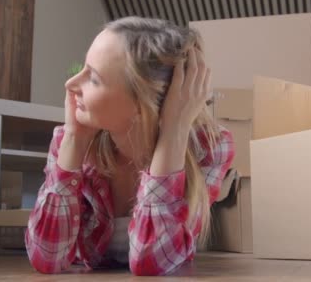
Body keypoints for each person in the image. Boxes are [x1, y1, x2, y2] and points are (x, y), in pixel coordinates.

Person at [25, 16, 234, 276]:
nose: (70, 84)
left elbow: (151, 262)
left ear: (141, 105)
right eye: (82, 68)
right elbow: (46, 258)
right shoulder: (70, 138)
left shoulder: (210, 147)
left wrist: (173, 133)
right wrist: (74, 141)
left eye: (94, 79)